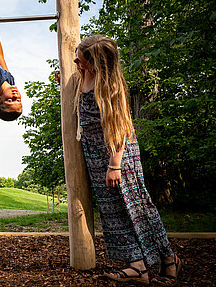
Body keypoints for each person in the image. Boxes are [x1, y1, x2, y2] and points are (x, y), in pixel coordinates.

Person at [72, 35, 181, 285]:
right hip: (96, 156)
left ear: (97, 63)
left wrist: (114, 165)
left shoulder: (110, 86)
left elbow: (119, 128)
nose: (76, 59)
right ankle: (137, 267)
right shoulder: (84, 75)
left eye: (82, 57)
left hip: (117, 155)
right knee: (112, 212)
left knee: (138, 208)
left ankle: (169, 259)